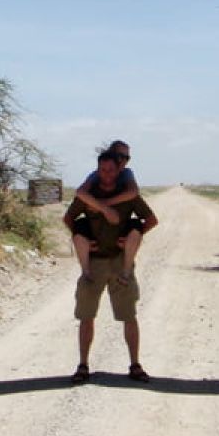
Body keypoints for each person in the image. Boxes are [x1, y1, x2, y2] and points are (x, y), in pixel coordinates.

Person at [63, 149, 158, 384]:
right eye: (102, 170)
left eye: (111, 170)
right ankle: (83, 365)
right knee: (87, 316)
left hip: (119, 262)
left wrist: (131, 238)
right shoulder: (88, 196)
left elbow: (151, 220)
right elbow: (68, 219)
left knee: (129, 316)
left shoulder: (129, 195)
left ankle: (135, 365)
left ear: (119, 171)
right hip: (94, 264)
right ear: (98, 169)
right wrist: (82, 237)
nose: (106, 175)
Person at [70, 140, 143, 283]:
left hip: (118, 245)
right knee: (80, 225)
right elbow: (80, 192)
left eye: (127, 157)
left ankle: (126, 272)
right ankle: (86, 272)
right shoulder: (96, 175)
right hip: (96, 247)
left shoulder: (126, 175)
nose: (124, 160)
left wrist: (103, 204)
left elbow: (134, 192)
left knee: (136, 225)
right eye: (120, 156)